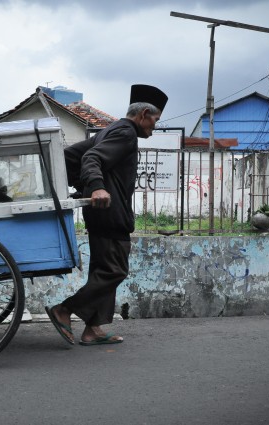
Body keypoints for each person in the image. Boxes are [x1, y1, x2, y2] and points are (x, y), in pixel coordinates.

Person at [45, 84, 168, 346]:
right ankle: (64, 310)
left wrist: (83, 187)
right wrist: (97, 187)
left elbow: (69, 156)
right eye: (155, 120)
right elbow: (91, 158)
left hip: (105, 212)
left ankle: (93, 329)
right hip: (110, 213)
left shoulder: (111, 129)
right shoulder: (125, 133)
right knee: (114, 270)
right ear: (144, 113)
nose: (155, 126)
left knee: (103, 269)